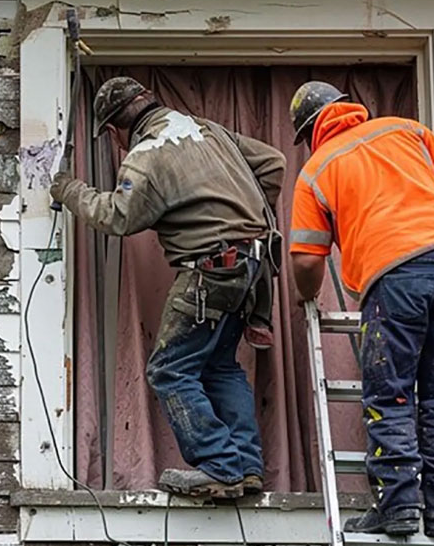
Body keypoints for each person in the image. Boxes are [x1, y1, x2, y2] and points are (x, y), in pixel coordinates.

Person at [50, 76, 286, 498]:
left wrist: (70, 190)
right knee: (218, 366)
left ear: (118, 127)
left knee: (169, 370)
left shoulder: (147, 155)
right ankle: (247, 467)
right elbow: (272, 163)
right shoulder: (206, 129)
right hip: (253, 268)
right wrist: (245, 214)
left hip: (210, 271)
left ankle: (220, 466)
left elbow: (118, 217)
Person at [287, 81, 434, 538]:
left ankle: (397, 508)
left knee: (390, 393)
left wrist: (305, 295)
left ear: (311, 130)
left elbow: (306, 258)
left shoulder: (317, 170)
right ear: (347, 110)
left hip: (395, 276)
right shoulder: (406, 129)